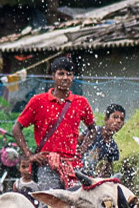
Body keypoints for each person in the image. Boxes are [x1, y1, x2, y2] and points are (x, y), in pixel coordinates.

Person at [15, 57, 95, 189]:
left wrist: (82, 149)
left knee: (76, 205)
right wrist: (30, 155)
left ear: (73, 77)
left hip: (72, 166)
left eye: (69, 74)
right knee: (50, 205)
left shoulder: (81, 102)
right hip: (46, 165)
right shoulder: (38, 101)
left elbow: (92, 130)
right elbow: (16, 128)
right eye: (61, 73)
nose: (65, 78)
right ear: (53, 76)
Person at [80, 104, 126, 176]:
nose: (119, 121)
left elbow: (107, 172)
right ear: (106, 119)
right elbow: (74, 144)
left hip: (89, 176)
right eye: (115, 117)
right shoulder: (93, 132)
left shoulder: (113, 147)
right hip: (75, 170)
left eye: (122, 119)